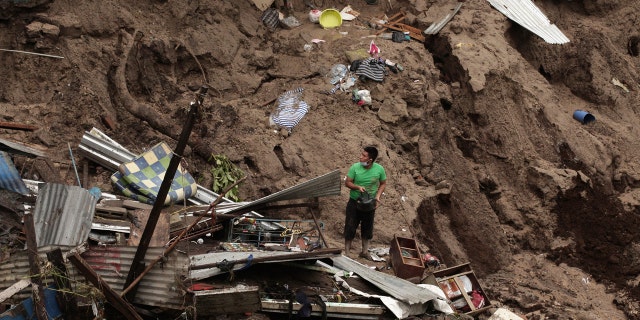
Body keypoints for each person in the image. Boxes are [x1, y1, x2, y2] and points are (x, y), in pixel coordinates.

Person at [344, 146, 387, 258]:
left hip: (370, 203)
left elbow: (383, 183)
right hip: (354, 202)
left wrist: (377, 196)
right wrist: (357, 187)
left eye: (364, 156)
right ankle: (347, 253)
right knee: (350, 226)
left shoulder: (379, 169)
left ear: (370, 160)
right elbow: (347, 182)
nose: (360, 157)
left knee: (367, 228)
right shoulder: (355, 168)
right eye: (361, 154)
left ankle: (364, 252)